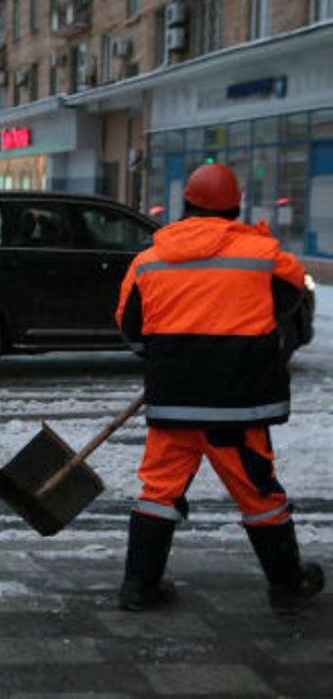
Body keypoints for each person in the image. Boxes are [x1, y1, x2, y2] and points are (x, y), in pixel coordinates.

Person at [115, 163, 323, 613]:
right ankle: (289, 582)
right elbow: (293, 298)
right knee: (259, 495)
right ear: (235, 206)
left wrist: (170, 356)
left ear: (185, 204)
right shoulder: (262, 254)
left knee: (159, 490)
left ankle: (138, 587)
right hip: (237, 407)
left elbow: (130, 329)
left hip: (173, 405)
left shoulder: (148, 261)